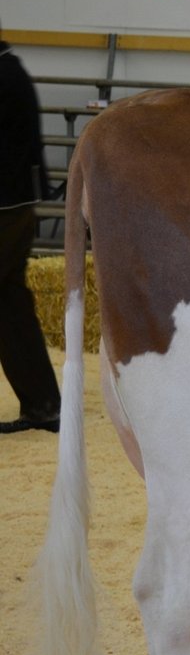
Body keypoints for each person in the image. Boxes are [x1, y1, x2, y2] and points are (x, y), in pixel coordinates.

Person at [0, 28, 62, 434]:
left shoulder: (4, 75)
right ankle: (43, 404)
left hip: (4, 206)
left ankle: (43, 403)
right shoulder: (13, 70)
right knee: (10, 302)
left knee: (9, 302)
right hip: (17, 204)